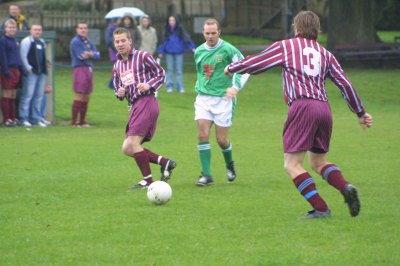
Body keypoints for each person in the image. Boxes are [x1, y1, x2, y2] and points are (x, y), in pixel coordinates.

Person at [224, 11, 373, 219]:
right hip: (324, 109)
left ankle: (321, 208)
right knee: (318, 162)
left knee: (291, 164)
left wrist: (233, 67)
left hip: (302, 107)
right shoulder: (325, 53)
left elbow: (258, 62)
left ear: (296, 28)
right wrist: (361, 112)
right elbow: (345, 85)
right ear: (317, 30)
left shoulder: (287, 47)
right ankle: (345, 186)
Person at [112, 27, 176, 189]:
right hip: (134, 106)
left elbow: (161, 74)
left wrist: (148, 84)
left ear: (130, 41)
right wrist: (119, 92)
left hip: (147, 101)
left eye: (123, 40)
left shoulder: (143, 56)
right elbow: (118, 90)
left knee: (133, 143)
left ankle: (148, 182)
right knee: (127, 148)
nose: (120, 44)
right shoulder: (117, 66)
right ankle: (165, 162)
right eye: (117, 41)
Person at [194, 18, 249, 186]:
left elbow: (244, 68)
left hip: (223, 100)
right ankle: (207, 175)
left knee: (221, 140)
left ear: (219, 32)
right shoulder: (198, 51)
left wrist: (235, 88)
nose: (210, 36)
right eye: (207, 33)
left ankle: (229, 164)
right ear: (203, 33)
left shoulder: (228, 49)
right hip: (203, 98)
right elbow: (201, 73)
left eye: (213, 33)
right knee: (202, 134)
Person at [19, 24, 49, 127]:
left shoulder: (42, 41)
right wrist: (28, 68)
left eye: (39, 30)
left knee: (38, 97)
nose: (37, 32)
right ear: (31, 31)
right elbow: (23, 56)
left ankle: (36, 118)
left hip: (41, 73)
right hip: (31, 73)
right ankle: (23, 118)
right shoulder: (26, 41)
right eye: (35, 30)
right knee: (27, 96)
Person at [70, 22, 100, 127]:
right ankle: (74, 121)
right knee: (80, 94)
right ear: (77, 30)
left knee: (87, 95)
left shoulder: (88, 41)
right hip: (80, 68)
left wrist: (91, 54)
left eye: (85, 28)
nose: (83, 30)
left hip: (89, 69)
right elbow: (81, 56)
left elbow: (97, 55)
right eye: (81, 28)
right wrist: (91, 54)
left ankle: (82, 121)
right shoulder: (75, 42)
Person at [157, 15, 196, 93]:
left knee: (179, 71)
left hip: (179, 52)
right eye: (170, 20)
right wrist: (161, 51)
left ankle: (180, 87)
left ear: (176, 21)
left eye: (173, 20)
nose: (171, 22)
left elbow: (187, 38)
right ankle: (170, 87)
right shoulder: (166, 30)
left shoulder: (180, 29)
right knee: (170, 70)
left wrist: (192, 48)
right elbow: (163, 42)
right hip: (169, 52)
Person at [0, 19, 22, 127]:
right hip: (8, 69)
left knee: (13, 95)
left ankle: (13, 118)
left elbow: (18, 56)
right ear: (5, 28)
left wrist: (20, 69)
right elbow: (3, 56)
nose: (12, 29)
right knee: (7, 94)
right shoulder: (3, 40)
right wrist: (5, 70)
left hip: (16, 69)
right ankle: (6, 119)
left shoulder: (16, 40)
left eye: (13, 27)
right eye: (9, 27)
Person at [105, 18, 118, 89]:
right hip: (114, 50)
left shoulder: (119, 28)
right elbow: (108, 40)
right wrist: (116, 47)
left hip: (119, 49)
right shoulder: (110, 29)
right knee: (116, 67)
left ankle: (113, 83)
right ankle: (112, 84)